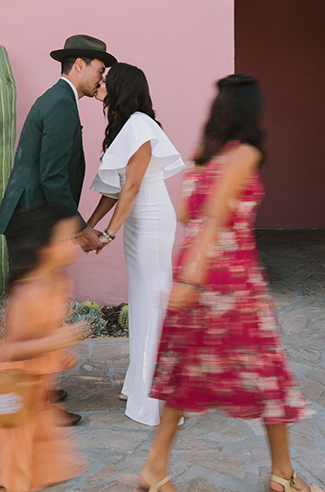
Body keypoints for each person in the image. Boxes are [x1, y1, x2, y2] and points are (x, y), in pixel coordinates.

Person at [135, 74, 323, 492]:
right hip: (229, 278)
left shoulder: (203, 157)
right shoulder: (245, 154)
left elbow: (187, 213)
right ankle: (283, 475)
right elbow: (218, 216)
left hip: (194, 269)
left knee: (185, 372)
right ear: (251, 111)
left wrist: (188, 274)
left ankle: (155, 468)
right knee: (267, 372)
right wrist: (197, 277)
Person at [0, 34, 117, 425]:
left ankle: (38, 389)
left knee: (35, 309)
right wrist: (81, 231)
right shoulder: (62, 105)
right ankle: (34, 400)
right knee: (34, 315)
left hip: (32, 218)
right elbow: (52, 176)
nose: (102, 80)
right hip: (34, 222)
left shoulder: (59, 99)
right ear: (78, 64)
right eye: (100, 71)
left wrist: (105, 101)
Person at [87, 63, 185, 426]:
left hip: (152, 222)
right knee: (143, 302)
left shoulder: (141, 125)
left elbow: (132, 187)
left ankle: (156, 396)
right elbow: (114, 188)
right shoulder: (128, 125)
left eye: (105, 79)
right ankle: (139, 382)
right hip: (138, 223)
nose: (99, 82)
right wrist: (90, 224)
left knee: (152, 303)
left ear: (121, 87)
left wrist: (109, 234)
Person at [0, 203, 86, 492]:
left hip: (37, 395)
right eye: (66, 238)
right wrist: (58, 341)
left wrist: (59, 353)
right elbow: (11, 351)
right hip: (15, 392)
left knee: (33, 465)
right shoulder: (27, 291)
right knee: (14, 466)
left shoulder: (59, 282)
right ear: (42, 246)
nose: (73, 244)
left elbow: (43, 333)